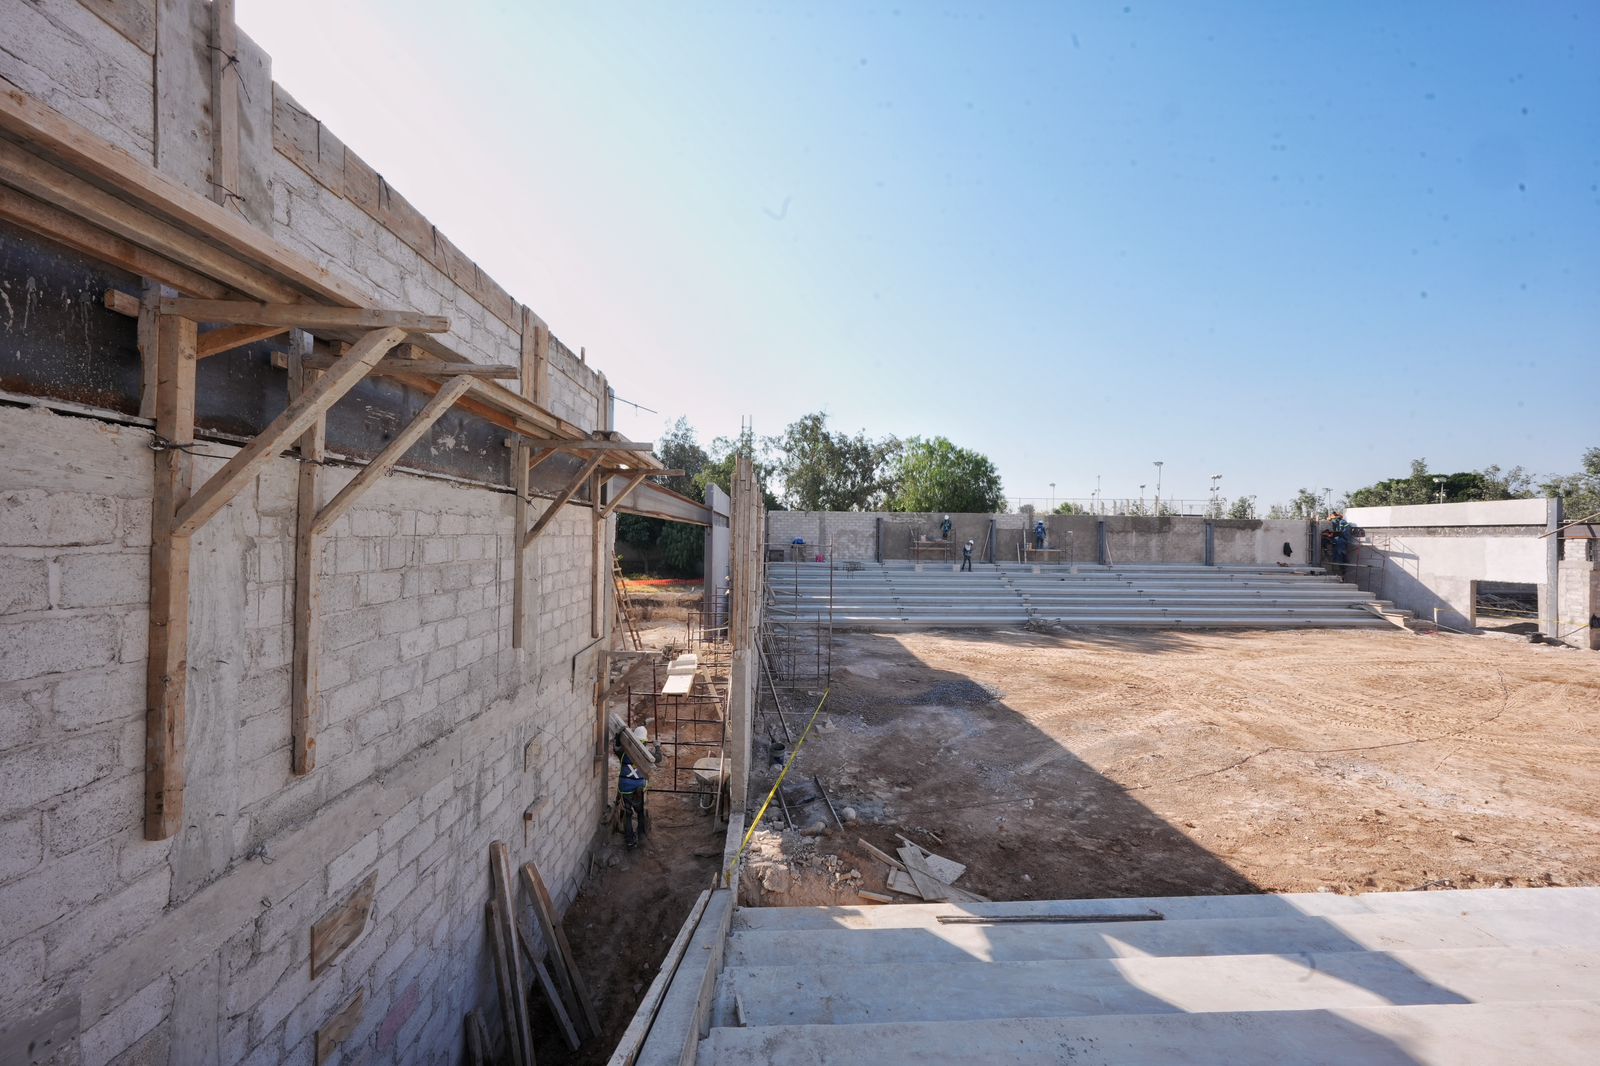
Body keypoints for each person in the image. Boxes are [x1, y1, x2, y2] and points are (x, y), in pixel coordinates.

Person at [613, 725, 650, 849]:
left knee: (628, 814)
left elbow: (615, 748)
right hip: (639, 787)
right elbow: (658, 758)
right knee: (640, 812)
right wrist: (657, 746)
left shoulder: (623, 752)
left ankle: (629, 840)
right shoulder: (646, 754)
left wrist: (618, 736)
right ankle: (642, 835)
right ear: (645, 740)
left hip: (626, 787)